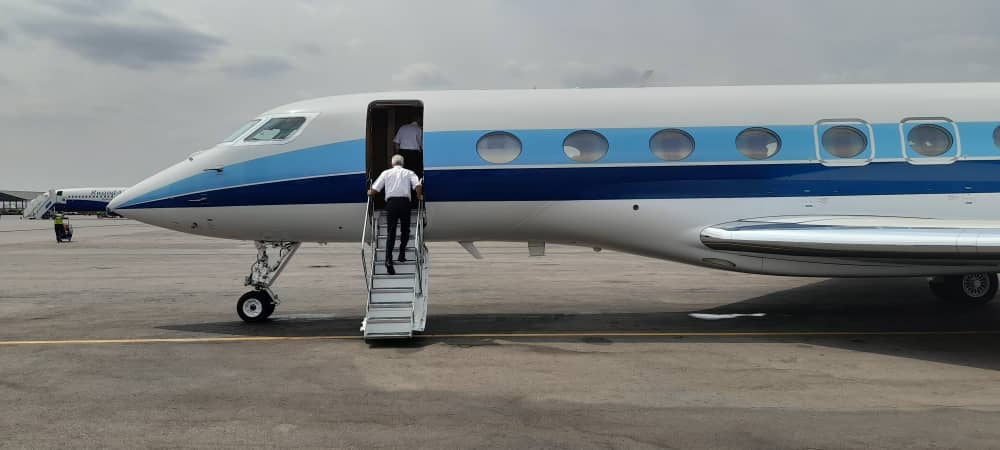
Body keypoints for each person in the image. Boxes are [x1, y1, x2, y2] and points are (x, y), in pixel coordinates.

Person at [368, 154, 423, 275]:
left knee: (391, 232)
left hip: (391, 204)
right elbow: (418, 185)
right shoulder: (409, 173)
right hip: (404, 203)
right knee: (405, 230)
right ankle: (402, 253)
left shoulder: (386, 173)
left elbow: (375, 189)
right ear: (402, 163)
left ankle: (388, 260)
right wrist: (419, 196)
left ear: (392, 163)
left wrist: (369, 192)